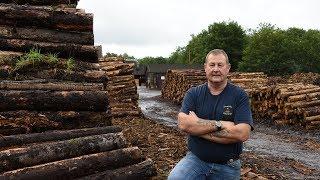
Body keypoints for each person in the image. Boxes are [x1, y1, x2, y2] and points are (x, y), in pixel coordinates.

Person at [168, 49, 253, 180]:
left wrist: (197, 128)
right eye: (212, 65)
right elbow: (184, 124)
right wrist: (221, 124)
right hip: (196, 160)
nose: (216, 69)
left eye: (220, 65)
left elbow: (242, 133)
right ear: (205, 67)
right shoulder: (194, 94)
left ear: (228, 68)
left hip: (228, 166)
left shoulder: (239, 95)